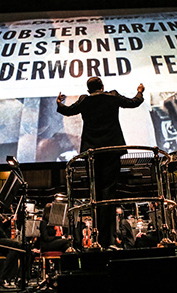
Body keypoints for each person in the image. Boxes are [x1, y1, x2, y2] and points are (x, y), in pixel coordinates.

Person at [57, 77, 145, 248]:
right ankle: (109, 240)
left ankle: (99, 240)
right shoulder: (112, 97)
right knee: (109, 195)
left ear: (88, 89)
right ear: (102, 86)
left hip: (93, 154)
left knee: (96, 196)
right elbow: (134, 103)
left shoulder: (84, 101)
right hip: (112, 152)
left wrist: (59, 102)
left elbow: (67, 111)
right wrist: (140, 91)